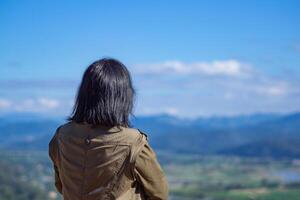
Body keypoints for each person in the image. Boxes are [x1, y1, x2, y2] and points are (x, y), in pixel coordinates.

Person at [48, 58, 168, 200]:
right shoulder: (133, 142)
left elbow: (61, 185)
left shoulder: (62, 135)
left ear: (84, 94)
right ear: (123, 97)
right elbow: (159, 194)